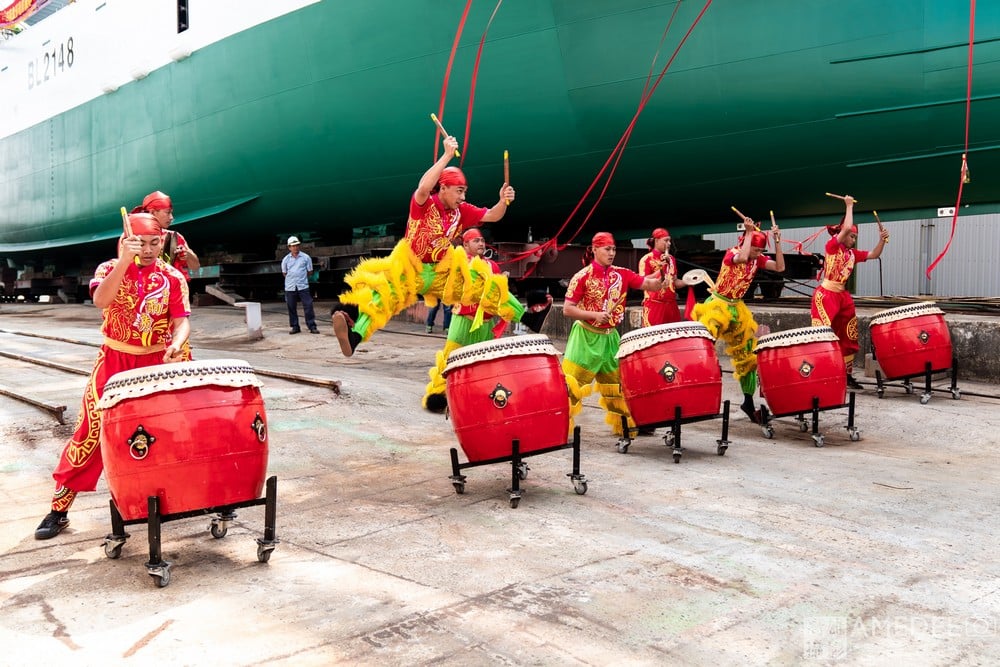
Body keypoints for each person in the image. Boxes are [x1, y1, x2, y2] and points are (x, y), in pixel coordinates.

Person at [34, 212, 191, 539]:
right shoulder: (108, 269)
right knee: (89, 434)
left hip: (154, 368)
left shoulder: (172, 277)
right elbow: (100, 300)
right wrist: (125, 260)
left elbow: (181, 321)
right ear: (126, 240)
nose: (148, 250)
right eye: (141, 243)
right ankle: (59, 509)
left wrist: (177, 343)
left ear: (162, 241)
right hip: (113, 364)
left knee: (164, 436)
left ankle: (174, 500)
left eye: (154, 243)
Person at [332, 134, 549, 356]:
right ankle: (355, 336)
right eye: (459, 191)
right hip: (411, 267)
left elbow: (493, 215)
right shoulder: (425, 204)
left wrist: (503, 201)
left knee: (487, 283)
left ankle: (528, 317)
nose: (463, 196)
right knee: (384, 294)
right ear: (443, 188)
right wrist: (446, 155)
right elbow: (423, 187)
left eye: (465, 191)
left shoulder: (461, 211)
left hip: (440, 271)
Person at [421, 227, 550, 412]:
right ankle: (438, 396)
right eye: (476, 241)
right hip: (464, 319)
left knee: (486, 363)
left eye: (482, 241)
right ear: (465, 244)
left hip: (486, 322)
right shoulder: (459, 263)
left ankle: (482, 397)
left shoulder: (491, 265)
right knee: (450, 358)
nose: (481, 244)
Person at [561, 232, 665, 436]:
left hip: (611, 338)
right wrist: (593, 315)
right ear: (594, 250)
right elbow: (567, 309)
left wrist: (665, 273)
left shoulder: (622, 274)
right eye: (607, 249)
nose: (611, 253)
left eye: (614, 249)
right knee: (572, 385)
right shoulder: (582, 277)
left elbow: (649, 284)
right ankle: (557, 427)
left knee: (617, 385)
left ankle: (626, 424)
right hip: (585, 338)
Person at [690, 217, 784, 424]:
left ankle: (748, 402)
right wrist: (749, 233)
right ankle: (691, 391)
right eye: (758, 251)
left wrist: (777, 241)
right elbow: (741, 258)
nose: (759, 255)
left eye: (761, 251)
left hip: (736, 308)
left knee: (748, 357)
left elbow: (779, 267)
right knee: (701, 348)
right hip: (718, 305)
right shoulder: (732, 253)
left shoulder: (756, 259)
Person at [811, 195, 889, 389]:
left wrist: (882, 240)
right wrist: (848, 206)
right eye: (851, 236)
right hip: (827, 295)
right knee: (821, 334)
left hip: (842, 297)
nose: (853, 239)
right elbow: (846, 227)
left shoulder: (852, 254)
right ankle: (819, 373)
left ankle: (846, 375)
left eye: (855, 237)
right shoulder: (832, 246)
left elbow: (874, 254)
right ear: (842, 235)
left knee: (848, 335)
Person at [133, 190, 200, 278]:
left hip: (171, 289)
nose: (171, 217)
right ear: (152, 212)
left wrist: (187, 255)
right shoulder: (133, 237)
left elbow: (195, 267)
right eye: (167, 212)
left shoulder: (174, 237)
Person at [638, 227, 690, 326]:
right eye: (666, 240)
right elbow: (642, 281)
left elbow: (674, 282)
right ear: (656, 241)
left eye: (670, 240)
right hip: (654, 305)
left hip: (671, 305)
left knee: (674, 337)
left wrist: (688, 281)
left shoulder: (671, 259)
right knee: (653, 337)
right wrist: (660, 269)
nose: (669, 243)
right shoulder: (646, 259)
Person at [282, 236, 319, 334]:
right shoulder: (285, 260)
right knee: (291, 307)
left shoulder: (306, 258)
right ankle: (295, 326)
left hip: (303, 286)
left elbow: (310, 271)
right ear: (289, 247)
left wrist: (301, 278)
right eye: (293, 246)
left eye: (297, 245)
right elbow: (284, 273)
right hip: (290, 287)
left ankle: (312, 326)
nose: (295, 248)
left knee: (308, 305)